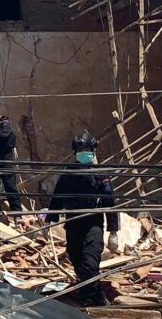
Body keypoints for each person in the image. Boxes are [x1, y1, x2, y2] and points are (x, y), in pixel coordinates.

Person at [45, 130, 119, 307]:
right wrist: (48, 222)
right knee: (76, 258)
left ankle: (88, 303)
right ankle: (99, 297)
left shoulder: (101, 174)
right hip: (72, 223)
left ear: (93, 151)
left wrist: (113, 231)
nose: (85, 153)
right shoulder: (67, 174)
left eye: (87, 149)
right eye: (81, 150)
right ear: (75, 153)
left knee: (90, 262)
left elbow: (110, 201)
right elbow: (57, 199)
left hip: (93, 224)